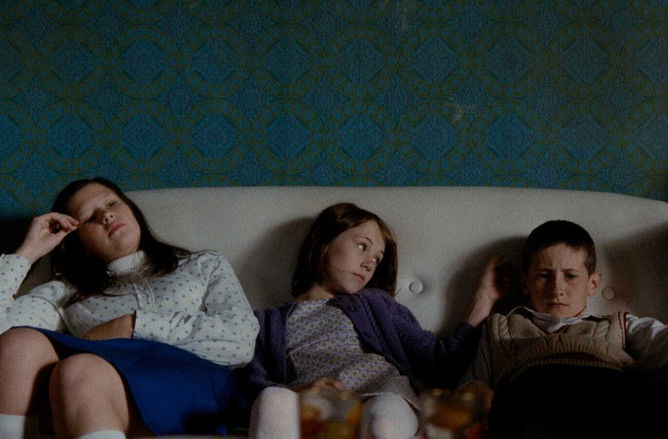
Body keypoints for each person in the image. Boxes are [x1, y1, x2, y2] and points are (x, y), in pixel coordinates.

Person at [0, 177, 259, 439]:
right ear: (79, 243)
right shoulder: (64, 293)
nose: (107, 215)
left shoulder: (203, 264)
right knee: (18, 344)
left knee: (80, 369)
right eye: (90, 218)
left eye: (111, 203)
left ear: (132, 210)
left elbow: (241, 340)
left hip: (201, 389)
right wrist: (27, 253)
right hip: (108, 390)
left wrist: (133, 325)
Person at [462, 219, 668, 439]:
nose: (557, 288)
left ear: (593, 283)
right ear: (525, 282)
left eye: (570, 276)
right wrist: (476, 393)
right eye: (544, 275)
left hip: (610, 396)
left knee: (648, 399)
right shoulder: (500, 328)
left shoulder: (617, 326)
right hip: (533, 400)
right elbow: (471, 382)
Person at [243, 203, 502, 439]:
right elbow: (251, 385)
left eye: (377, 259)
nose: (369, 263)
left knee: (381, 424)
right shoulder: (266, 321)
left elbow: (439, 360)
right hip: (317, 409)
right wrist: (300, 391)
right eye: (362, 246)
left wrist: (484, 299)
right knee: (270, 398)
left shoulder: (375, 303)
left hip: (382, 394)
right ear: (325, 242)